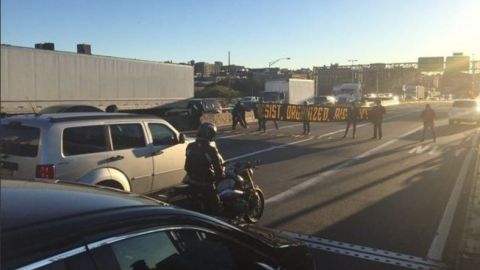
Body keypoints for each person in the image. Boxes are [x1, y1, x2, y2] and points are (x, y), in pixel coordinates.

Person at [184, 123, 225, 215]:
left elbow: (187, 166)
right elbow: (218, 168)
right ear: (210, 134)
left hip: (192, 180)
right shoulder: (210, 149)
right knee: (217, 206)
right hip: (206, 183)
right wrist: (220, 175)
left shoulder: (190, 146)